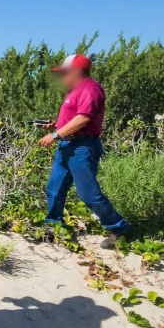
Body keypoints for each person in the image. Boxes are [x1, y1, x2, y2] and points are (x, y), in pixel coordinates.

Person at [38, 54, 133, 249]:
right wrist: (57, 126)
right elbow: (74, 120)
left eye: (64, 73)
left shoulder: (91, 88)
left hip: (82, 147)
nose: (61, 77)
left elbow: (83, 119)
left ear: (76, 71)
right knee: (54, 188)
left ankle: (121, 229)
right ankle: (54, 226)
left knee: (89, 194)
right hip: (67, 146)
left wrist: (55, 135)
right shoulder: (76, 90)